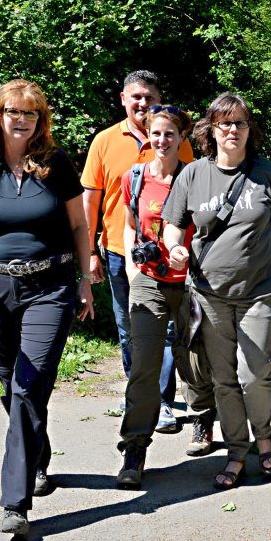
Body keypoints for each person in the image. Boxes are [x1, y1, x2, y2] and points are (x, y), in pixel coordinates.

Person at [0, 80, 94, 539]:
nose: (23, 120)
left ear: (39, 120)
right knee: (11, 383)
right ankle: (37, 453)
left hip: (50, 285)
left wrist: (86, 280)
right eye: (15, 112)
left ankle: (15, 500)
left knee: (29, 385)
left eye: (32, 113)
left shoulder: (57, 165)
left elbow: (78, 225)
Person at [162, 93, 271, 490]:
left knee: (254, 374)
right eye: (225, 123)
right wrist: (174, 247)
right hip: (208, 294)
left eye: (239, 123)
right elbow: (173, 223)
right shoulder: (192, 174)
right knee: (223, 378)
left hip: (258, 292)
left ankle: (265, 436)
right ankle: (237, 452)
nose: (232, 130)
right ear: (212, 130)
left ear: (248, 129)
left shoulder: (268, 174)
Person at [81, 71, 197, 441]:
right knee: (128, 330)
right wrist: (89, 251)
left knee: (166, 333)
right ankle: (139, 394)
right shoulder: (104, 141)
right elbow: (91, 199)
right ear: (123, 99)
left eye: (149, 96)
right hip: (118, 251)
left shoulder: (175, 140)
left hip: (172, 260)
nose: (142, 103)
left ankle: (161, 402)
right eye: (136, 96)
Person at [115, 105, 213, 487]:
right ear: (147, 135)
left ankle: (202, 418)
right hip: (149, 281)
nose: (162, 141)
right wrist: (129, 266)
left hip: (191, 282)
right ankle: (135, 447)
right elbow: (127, 225)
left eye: (169, 134)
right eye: (155, 133)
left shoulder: (196, 179)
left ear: (182, 137)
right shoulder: (135, 177)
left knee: (193, 359)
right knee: (145, 366)